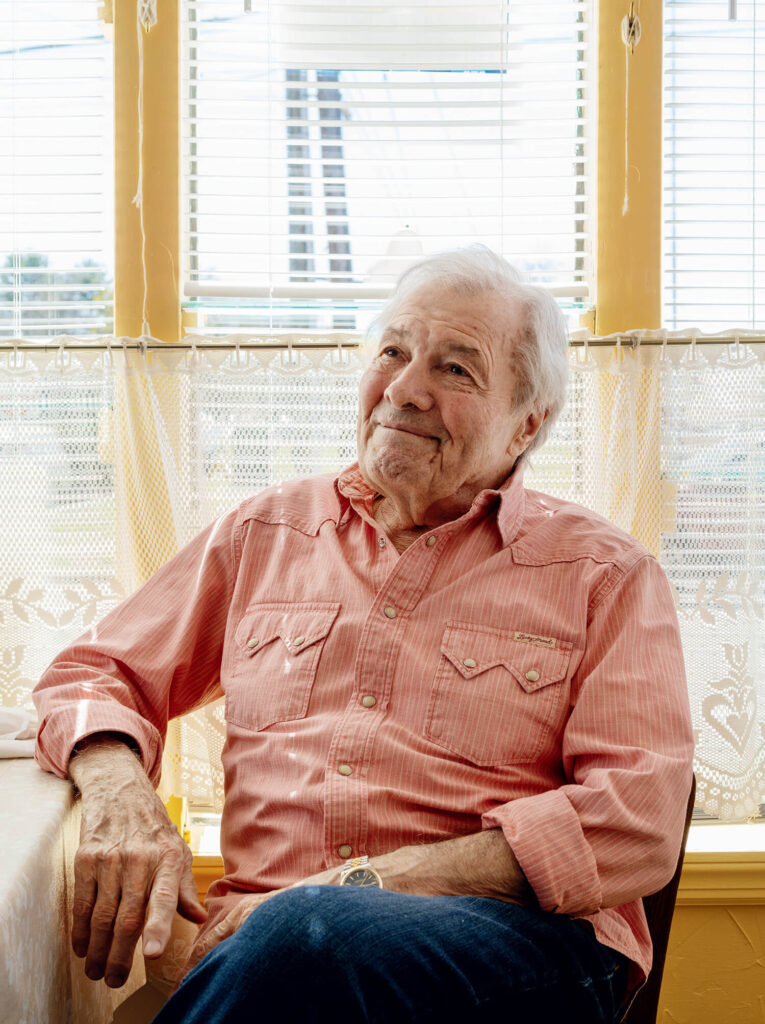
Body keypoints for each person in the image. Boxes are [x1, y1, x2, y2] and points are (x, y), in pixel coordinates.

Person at [33, 246, 694, 1024]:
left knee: (311, 934)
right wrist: (118, 794)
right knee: (301, 948)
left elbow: (637, 817)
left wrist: (363, 888)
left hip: (521, 949)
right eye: (392, 352)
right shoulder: (263, 533)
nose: (405, 390)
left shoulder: (604, 573)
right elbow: (94, 673)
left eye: (455, 370)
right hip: (275, 953)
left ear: (527, 424)